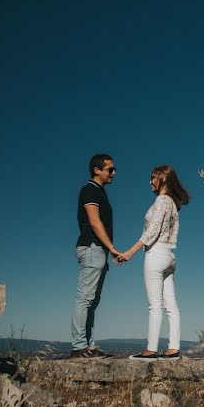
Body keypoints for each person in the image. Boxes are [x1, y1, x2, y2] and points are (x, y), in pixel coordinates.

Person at [119, 165, 190, 360]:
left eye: (152, 178)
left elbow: (152, 230)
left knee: (155, 305)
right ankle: (173, 348)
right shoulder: (173, 204)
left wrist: (130, 252)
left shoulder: (160, 201)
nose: (150, 181)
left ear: (163, 180)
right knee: (171, 304)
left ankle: (151, 350)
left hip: (156, 254)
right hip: (169, 256)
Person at [71, 153, 121, 359]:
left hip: (98, 250)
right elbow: (94, 222)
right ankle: (79, 347)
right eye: (110, 169)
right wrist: (112, 248)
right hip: (92, 248)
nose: (114, 173)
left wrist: (108, 250)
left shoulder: (100, 192)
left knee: (93, 300)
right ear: (96, 170)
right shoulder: (90, 190)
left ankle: (88, 346)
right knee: (85, 298)